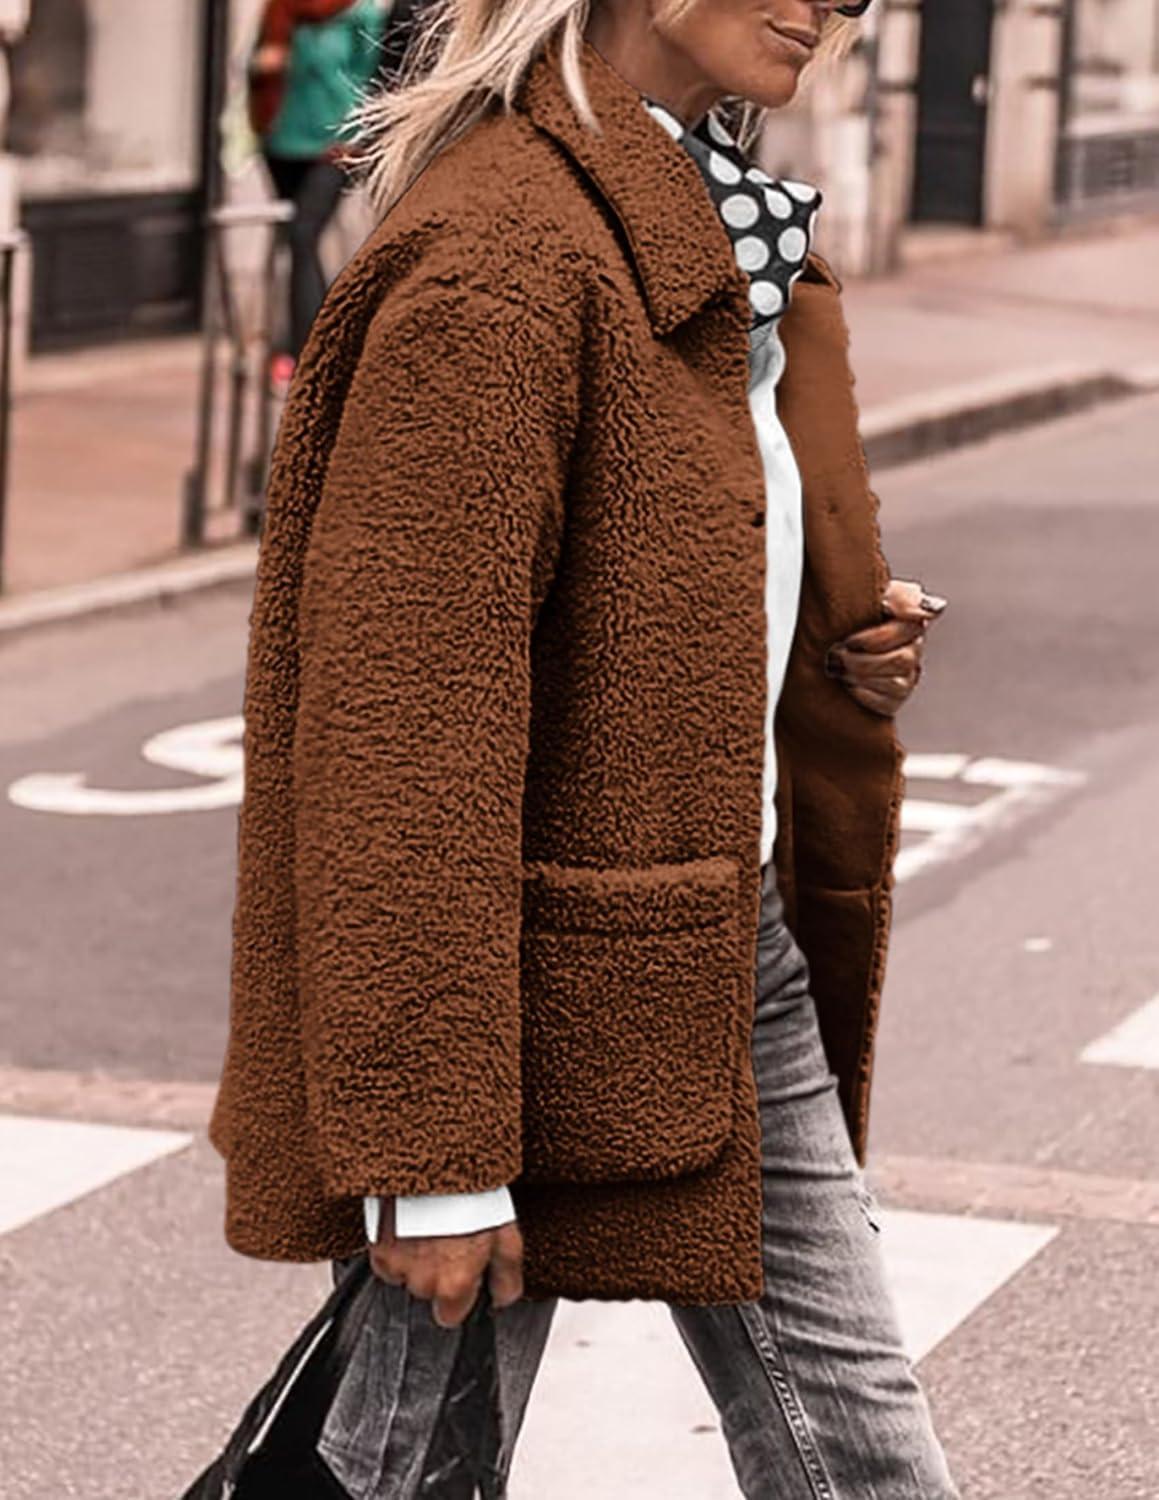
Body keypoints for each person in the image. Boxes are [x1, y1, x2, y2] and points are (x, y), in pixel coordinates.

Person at [211, 1, 960, 1494]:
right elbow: (399, 734)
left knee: (864, 1453)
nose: (833, 5)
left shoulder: (682, 202)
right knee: (396, 1469)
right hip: (510, 992)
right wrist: (434, 1161)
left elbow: (660, 553)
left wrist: (822, 633)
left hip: (706, 940)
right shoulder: (499, 258)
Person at [246, 0, 388, 381]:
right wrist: (265, 66)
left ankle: (307, 354)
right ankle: (307, 346)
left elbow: (373, 83)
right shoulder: (280, 9)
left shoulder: (361, 14)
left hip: (334, 148)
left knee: (303, 235)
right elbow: (253, 67)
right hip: (282, 141)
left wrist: (358, 139)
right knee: (295, 244)